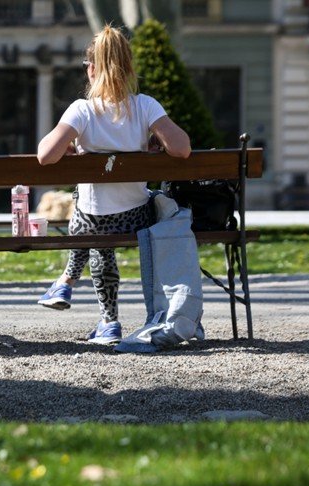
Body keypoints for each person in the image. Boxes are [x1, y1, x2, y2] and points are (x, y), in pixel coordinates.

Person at [36, 25, 191, 345]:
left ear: (91, 70)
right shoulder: (145, 105)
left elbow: (45, 156)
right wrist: (150, 139)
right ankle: (70, 287)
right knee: (101, 220)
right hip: (137, 219)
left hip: (92, 223)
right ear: (129, 67)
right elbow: (182, 148)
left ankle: (103, 315)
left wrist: (73, 144)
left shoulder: (82, 111)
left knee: (89, 219)